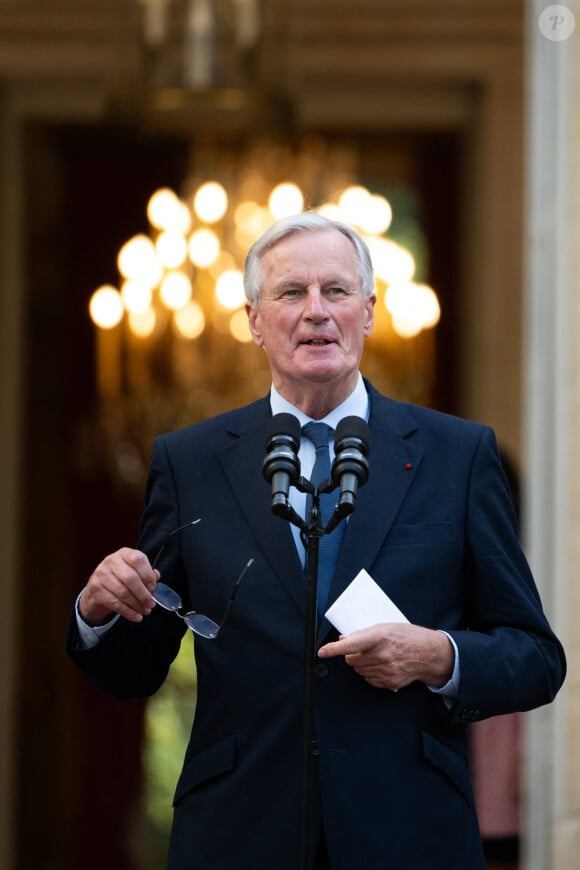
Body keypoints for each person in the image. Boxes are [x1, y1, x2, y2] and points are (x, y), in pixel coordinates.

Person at [67, 212, 566, 870]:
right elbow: (135, 669)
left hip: (408, 832)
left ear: (369, 310)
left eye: (335, 291)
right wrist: (99, 612)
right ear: (251, 318)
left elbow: (534, 657)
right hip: (239, 832)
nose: (316, 313)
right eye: (290, 292)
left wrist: (436, 656)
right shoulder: (191, 461)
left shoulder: (458, 455)